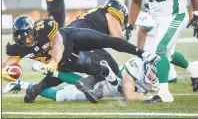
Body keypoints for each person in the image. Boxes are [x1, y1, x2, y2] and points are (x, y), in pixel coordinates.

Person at [2, 15, 158, 103]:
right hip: (66, 60)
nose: (28, 40)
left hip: (70, 39)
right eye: (23, 39)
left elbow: (57, 44)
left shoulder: (45, 26)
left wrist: (53, 62)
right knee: (91, 69)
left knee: (106, 40)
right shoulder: (14, 47)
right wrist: (5, 72)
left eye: (30, 35)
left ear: (34, 30)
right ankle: (105, 75)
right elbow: (8, 64)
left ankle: (142, 53)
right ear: (16, 38)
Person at [125, 0, 198, 103]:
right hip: (157, 17)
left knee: (159, 50)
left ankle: (164, 93)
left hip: (175, 14)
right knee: (168, 55)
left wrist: (197, 14)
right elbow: (136, 0)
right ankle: (193, 68)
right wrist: (130, 24)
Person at [3, 57, 159, 103]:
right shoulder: (129, 75)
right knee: (84, 82)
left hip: (100, 92)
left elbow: (132, 94)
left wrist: (146, 94)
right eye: (151, 73)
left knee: (57, 97)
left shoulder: (135, 75)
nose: (153, 77)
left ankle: (20, 84)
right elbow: (130, 96)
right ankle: (51, 70)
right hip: (101, 79)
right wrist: (149, 98)